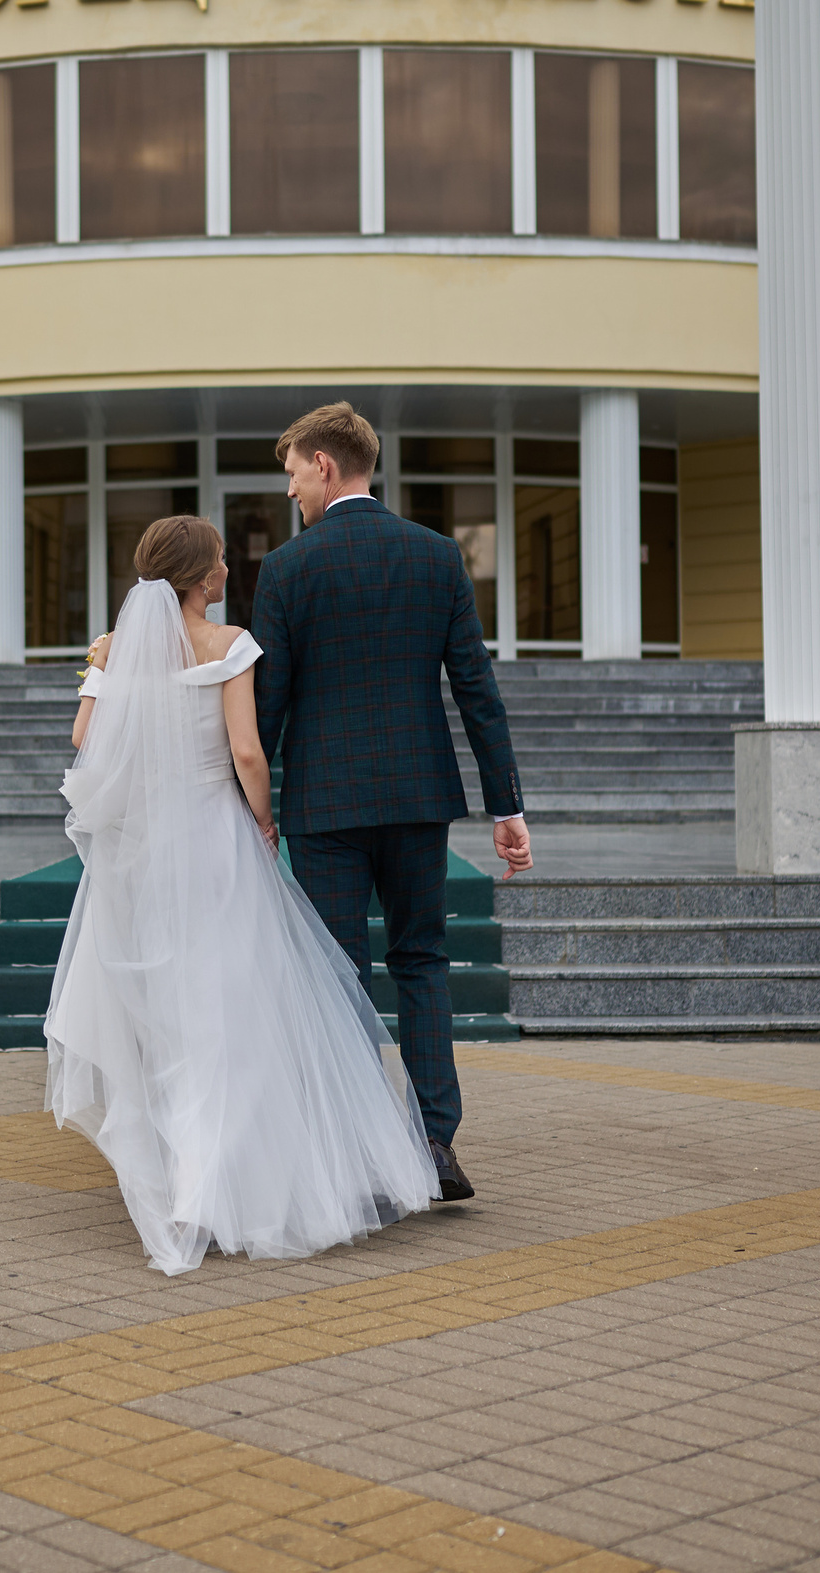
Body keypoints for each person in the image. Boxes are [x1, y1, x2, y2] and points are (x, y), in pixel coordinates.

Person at [45, 515, 440, 1276]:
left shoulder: (120, 649)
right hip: (216, 840)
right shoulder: (230, 643)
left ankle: (186, 1183)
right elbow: (248, 752)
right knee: (230, 1008)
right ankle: (218, 1186)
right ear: (203, 577)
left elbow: (83, 739)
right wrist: (263, 820)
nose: (228, 567)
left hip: (148, 850)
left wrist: (103, 669)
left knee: (169, 1015)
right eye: (222, 558)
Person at [250, 402, 530, 1204]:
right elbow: (477, 689)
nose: (291, 490)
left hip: (325, 804)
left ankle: (360, 1150)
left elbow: (268, 707)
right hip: (417, 797)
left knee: (339, 973)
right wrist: (506, 805)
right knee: (422, 960)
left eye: (294, 473)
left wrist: (251, 807)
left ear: (325, 465)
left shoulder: (287, 569)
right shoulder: (437, 556)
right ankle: (435, 1141)